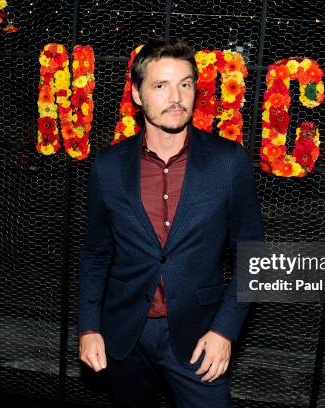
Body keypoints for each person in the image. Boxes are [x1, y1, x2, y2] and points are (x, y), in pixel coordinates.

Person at [77, 37, 264, 408]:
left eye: (185, 84)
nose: (175, 96)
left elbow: (254, 257)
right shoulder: (109, 166)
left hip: (199, 335)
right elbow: (96, 254)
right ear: (137, 94)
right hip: (125, 333)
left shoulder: (228, 163)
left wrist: (224, 331)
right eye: (160, 85)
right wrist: (89, 327)